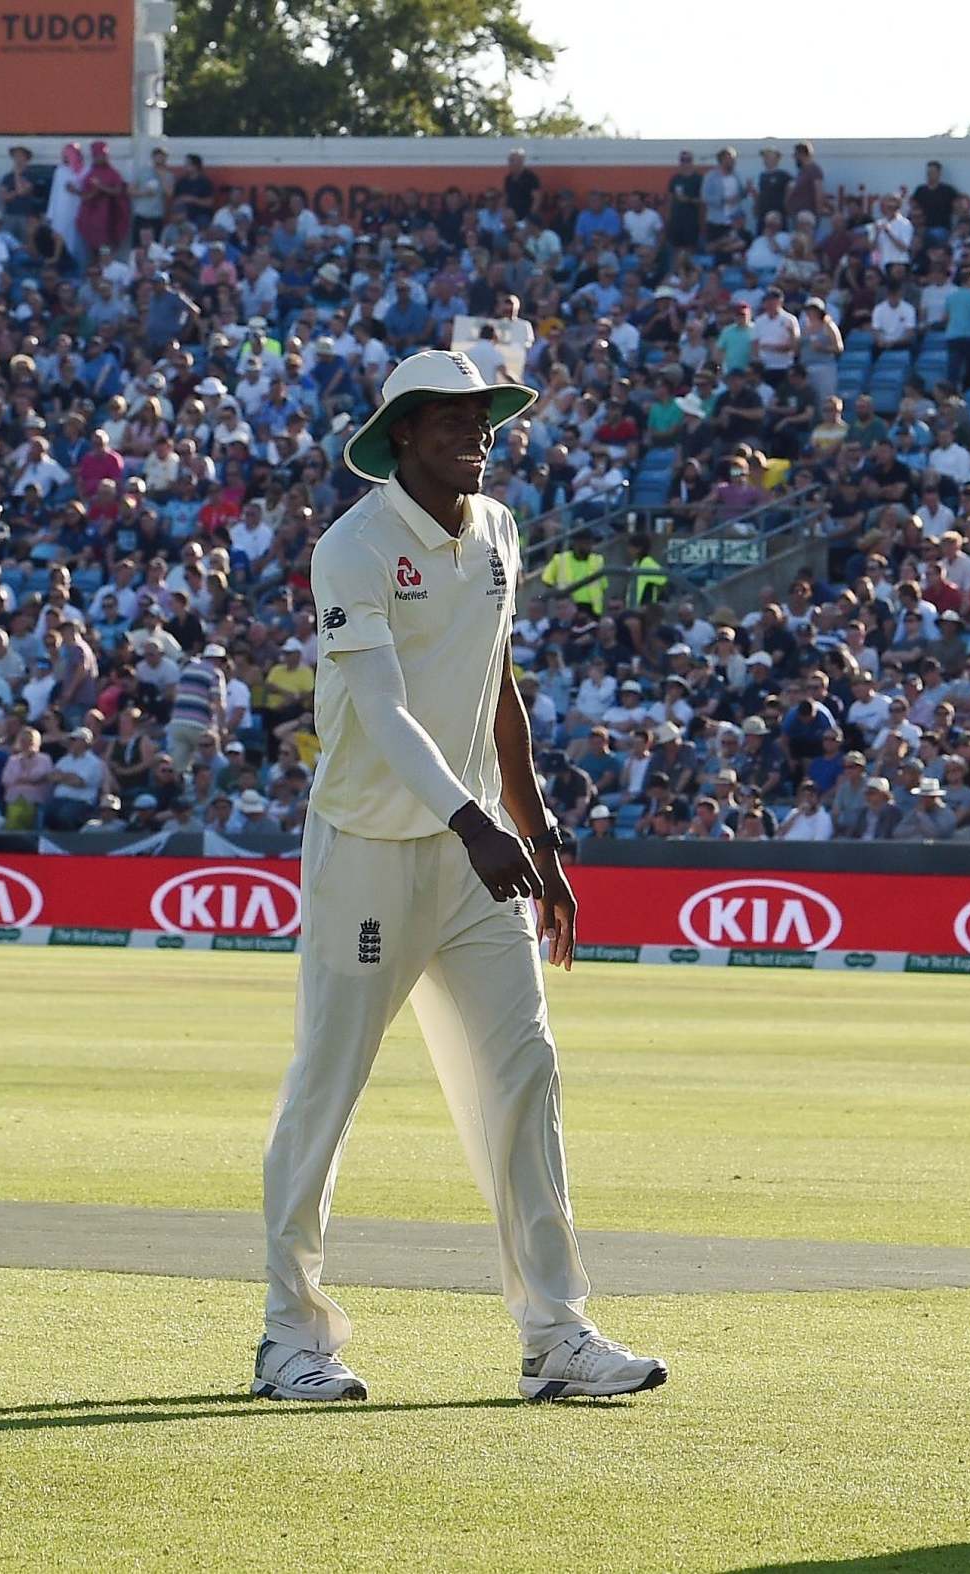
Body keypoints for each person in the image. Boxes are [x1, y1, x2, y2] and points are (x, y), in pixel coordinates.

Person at [255, 350, 665, 1405]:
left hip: (477, 855)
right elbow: (383, 711)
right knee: (327, 1090)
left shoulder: (498, 529)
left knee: (525, 1075)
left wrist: (540, 838)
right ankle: (289, 1337)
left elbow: (497, 686)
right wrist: (476, 823)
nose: (473, 433)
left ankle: (554, 1334)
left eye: (482, 416)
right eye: (447, 419)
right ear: (401, 435)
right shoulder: (351, 547)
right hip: (371, 852)